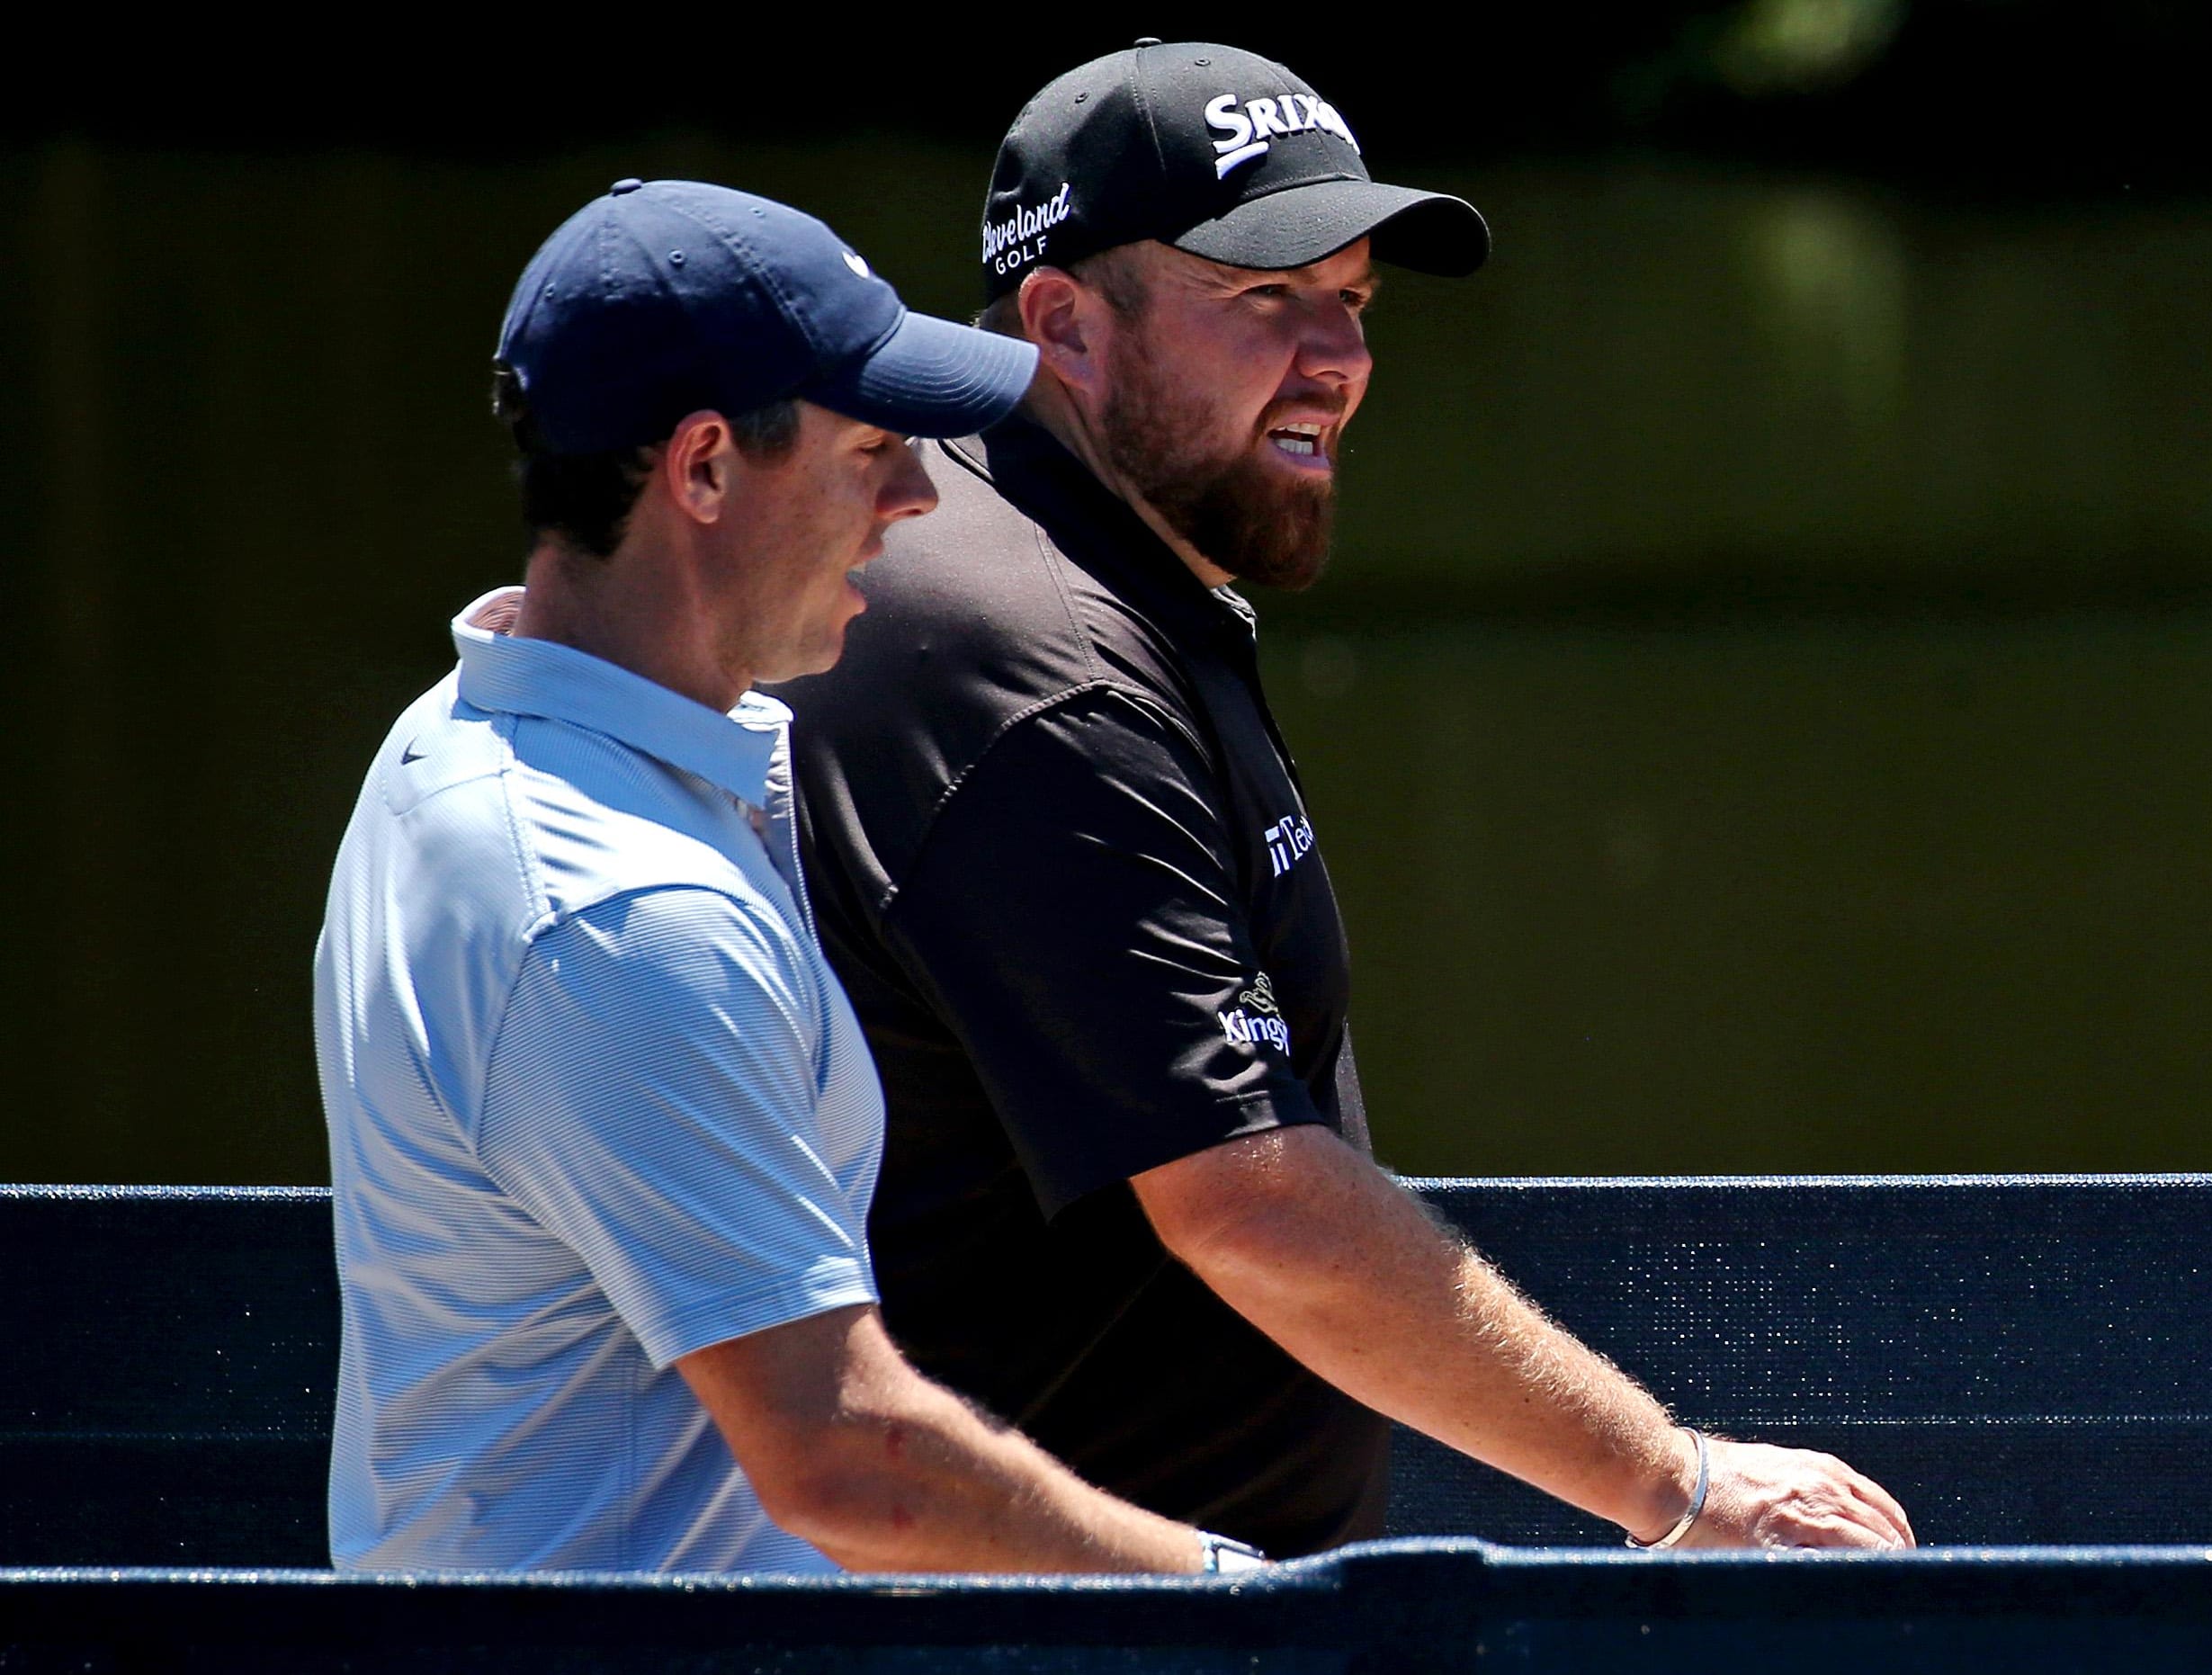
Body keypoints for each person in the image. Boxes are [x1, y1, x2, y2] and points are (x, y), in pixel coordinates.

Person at [775, 42, 1916, 1557]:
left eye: (1355, 301)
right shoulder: (1035, 669)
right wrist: (1677, 1485)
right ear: (1064, 326)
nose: (1341, 359)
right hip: (1067, 1637)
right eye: (1263, 298)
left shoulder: (1050, 564)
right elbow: (1242, 1199)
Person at [313, 178, 1258, 1575]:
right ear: (700, 469)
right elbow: (846, 1460)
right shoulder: (616, 912)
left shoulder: (466, 743)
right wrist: (1240, 1600)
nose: (919, 495)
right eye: (873, 445)